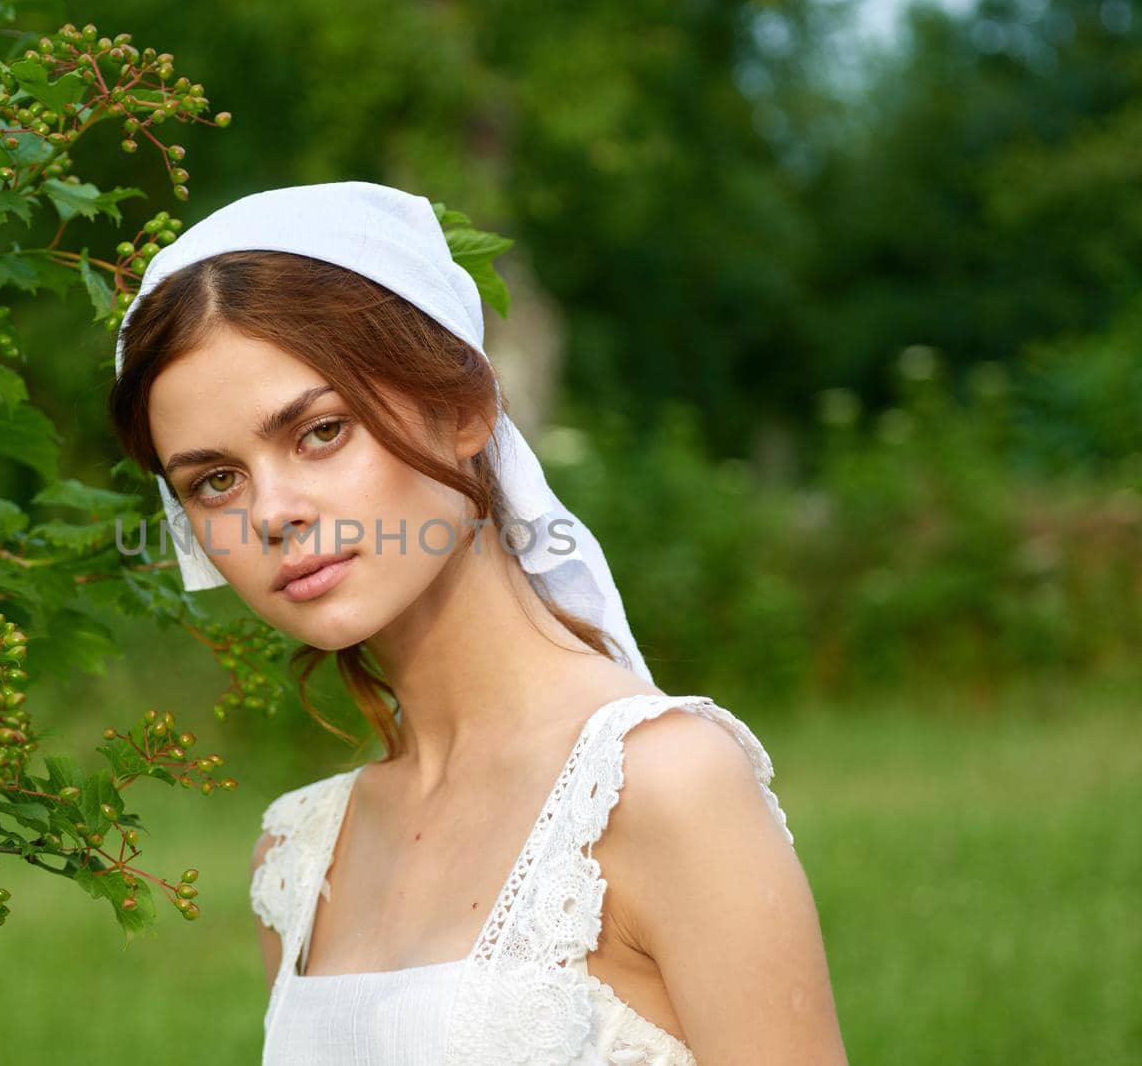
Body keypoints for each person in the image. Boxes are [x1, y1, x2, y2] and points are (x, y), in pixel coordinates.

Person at [108, 181, 847, 1065]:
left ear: (463, 406)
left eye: (320, 431)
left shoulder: (664, 786)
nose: (272, 511)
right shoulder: (300, 858)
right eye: (214, 481)